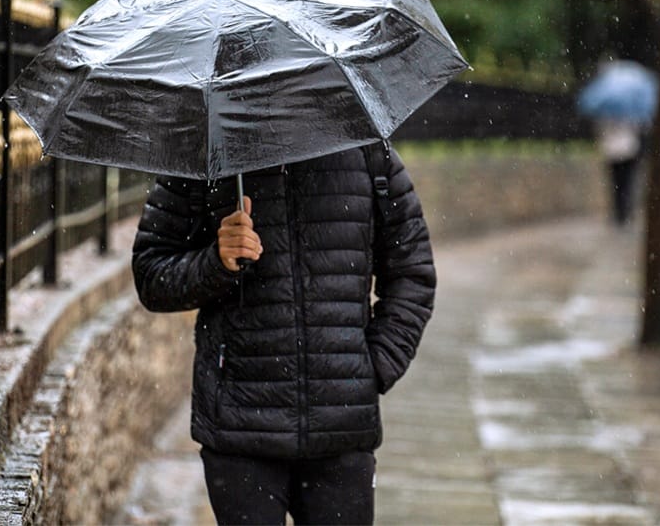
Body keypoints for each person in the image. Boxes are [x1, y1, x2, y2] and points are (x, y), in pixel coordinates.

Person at [131, 142, 436, 525]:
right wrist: (216, 262)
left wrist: (373, 366)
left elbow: (412, 273)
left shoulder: (367, 151)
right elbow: (151, 275)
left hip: (340, 429)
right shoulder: (205, 155)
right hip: (241, 425)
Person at [596, 117, 645, 225]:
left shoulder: (605, 115)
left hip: (614, 152)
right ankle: (625, 210)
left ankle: (620, 211)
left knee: (617, 184)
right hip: (627, 150)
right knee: (626, 183)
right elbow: (638, 128)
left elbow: (601, 132)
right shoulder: (631, 114)